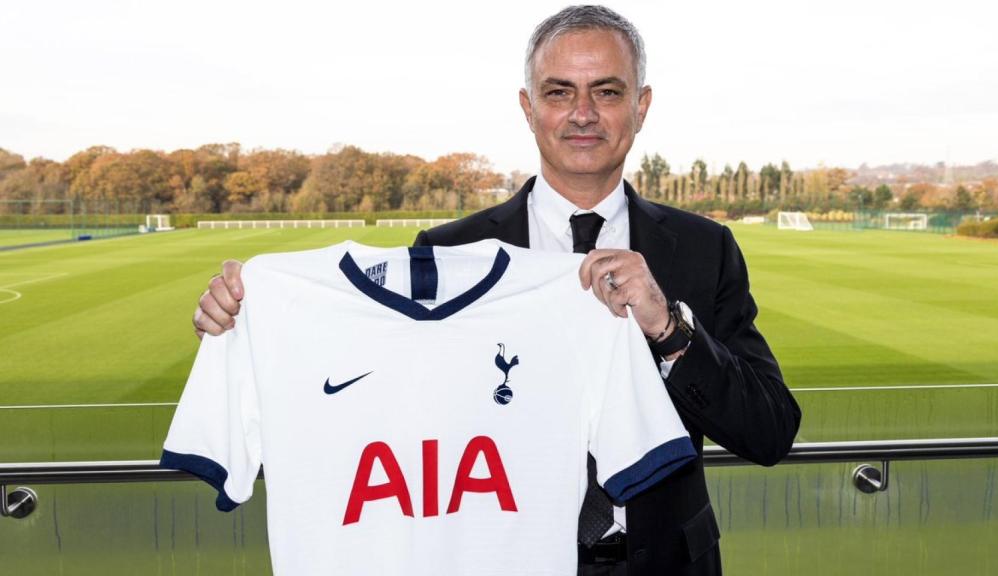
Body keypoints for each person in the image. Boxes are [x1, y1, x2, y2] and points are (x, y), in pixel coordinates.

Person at [192, 5, 801, 576]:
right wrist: (246, 330)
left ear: (641, 107)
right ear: (528, 108)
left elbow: (770, 431)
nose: (582, 113)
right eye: (558, 92)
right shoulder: (447, 253)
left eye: (607, 92)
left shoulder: (703, 248)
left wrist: (669, 330)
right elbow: (373, 408)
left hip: (666, 562)